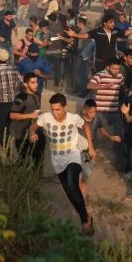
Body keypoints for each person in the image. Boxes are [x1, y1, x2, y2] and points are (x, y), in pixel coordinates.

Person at [29, 93, 95, 236]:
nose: (55, 113)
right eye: (53, 109)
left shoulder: (73, 118)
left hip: (73, 157)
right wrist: (32, 133)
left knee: (72, 185)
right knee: (69, 193)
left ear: (65, 107)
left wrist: (90, 146)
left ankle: (84, 221)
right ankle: (85, 216)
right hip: (57, 161)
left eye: (58, 109)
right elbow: (33, 127)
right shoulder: (45, 117)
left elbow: (86, 126)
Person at [87, 57, 128, 173]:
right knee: (95, 137)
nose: (116, 71)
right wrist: (103, 86)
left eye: (118, 69)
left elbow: (124, 89)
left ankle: (120, 164)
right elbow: (89, 86)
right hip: (99, 112)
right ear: (108, 67)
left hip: (114, 113)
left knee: (119, 138)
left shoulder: (120, 77)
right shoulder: (100, 75)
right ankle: (86, 161)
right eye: (114, 69)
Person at [66, 13, 132, 73]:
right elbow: (86, 36)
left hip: (112, 62)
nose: (113, 24)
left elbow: (125, 33)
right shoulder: (98, 31)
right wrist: (74, 34)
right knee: (100, 80)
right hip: (100, 61)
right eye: (110, 22)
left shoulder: (115, 30)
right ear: (104, 23)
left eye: (113, 22)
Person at [9, 73, 45, 160]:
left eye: (36, 82)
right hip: (22, 135)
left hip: (37, 132)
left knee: (39, 161)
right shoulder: (21, 97)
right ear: (25, 84)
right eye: (33, 82)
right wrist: (30, 115)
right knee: (23, 161)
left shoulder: (37, 95)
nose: (36, 84)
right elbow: (12, 115)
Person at [0, 48, 20, 146]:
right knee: (9, 125)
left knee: (0, 128)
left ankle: (5, 149)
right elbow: (20, 83)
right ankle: (10, 145)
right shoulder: (13, 69)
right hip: (11, 102)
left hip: (1, 103)